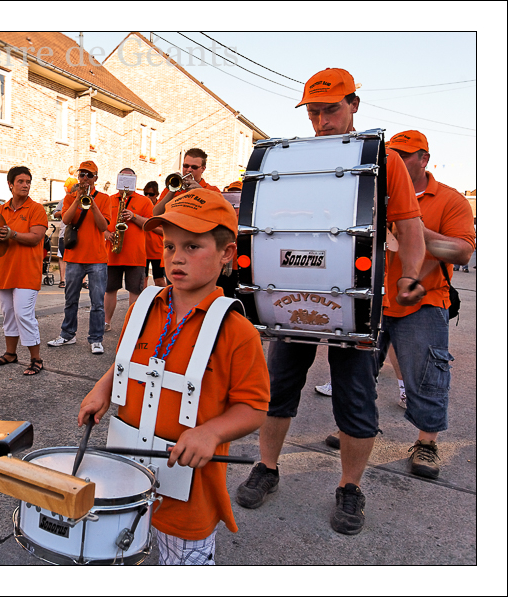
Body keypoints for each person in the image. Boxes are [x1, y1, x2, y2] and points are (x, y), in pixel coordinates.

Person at [235, 68, 426, 536]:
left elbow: (410, 228)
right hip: (294, 293)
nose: (322, 121)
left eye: (331, 109)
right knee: (278, 388)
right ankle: (267, 467)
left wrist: (411, 276)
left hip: (355, 301)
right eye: (314, 112)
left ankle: (350, 487)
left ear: (354, 104)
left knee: (356, 398)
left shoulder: (382, 158)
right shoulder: (294, 157)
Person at [78, 188, 269, 565]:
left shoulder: (238, 331)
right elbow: (127, 362)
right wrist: (103, 388)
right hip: (127, 476)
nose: (176, 257)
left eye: (192, 247)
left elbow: (254, 407)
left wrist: (210, 433)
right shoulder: (142, 308)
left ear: (227, 253)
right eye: (169, 246)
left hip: (190, 495)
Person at [375, 130, 475, 479]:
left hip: (426, 300)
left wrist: (412, 228)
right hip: (374, 300)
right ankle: (356, 428)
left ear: (424, 159)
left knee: (430, 376)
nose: (396, 161)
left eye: (404, 155)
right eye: (392, 154)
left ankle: (426, 444)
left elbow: (462, 252)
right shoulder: (374, 193)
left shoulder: (449, 199)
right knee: (357, 373)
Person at [0, 166, 49, 375]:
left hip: (27, 271)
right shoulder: (0, 210)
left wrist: (12, 234)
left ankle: (36, 359)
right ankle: (10, 354)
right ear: (10, 184)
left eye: (28, 182)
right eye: (21, 181)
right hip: (5, 270)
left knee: (23, 314)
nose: (25, 185)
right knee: (8, 314)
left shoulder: (36, 209)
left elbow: (36, 238)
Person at [47, 160, 112, 354]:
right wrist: (77, 199)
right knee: (70, 299)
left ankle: (96, 339)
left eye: (89, 175)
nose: (85, 178)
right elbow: (66, 220)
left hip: (97, 258)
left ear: (95, 178)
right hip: (74, 257)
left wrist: (92, 204)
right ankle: (68, 335)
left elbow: (104, 226)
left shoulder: (104, 198)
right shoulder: (69, 197)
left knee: (97, 302)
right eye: (82, 174)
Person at [103, 168, 154, 331]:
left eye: (129, 179)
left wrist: (134, 216)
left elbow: (150, 224)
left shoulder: (145, 201)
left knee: (135, 291)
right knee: (109, 290)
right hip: (112, 253)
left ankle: (133, 325)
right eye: (123, 179)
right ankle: (106, 322)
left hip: (135, 255)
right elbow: (101, 224)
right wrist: (107, 234)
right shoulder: (109, 199)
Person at [153, 148, 222, 216]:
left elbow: (218, 215)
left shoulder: (213, 190)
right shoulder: (172, 187)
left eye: (194, 167)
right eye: (186, 166)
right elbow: (155, 213)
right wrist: (172, 191)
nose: (189, 170)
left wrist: (201, 192)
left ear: (203, 169)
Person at [142, 181, 166, 288]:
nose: (148, 196)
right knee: (143, 280)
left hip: (157, 250)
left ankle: (162, 298)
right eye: (146, 194)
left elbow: (165, 231)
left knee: (159, 280)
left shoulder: (161, 208)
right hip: (143, 250)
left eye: (151, 194)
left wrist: (149, 225)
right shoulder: (142, 206)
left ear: (157, 194)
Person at [52, 197, 67, 287]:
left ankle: (83, 281)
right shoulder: (64, 200)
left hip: (81, 233)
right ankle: (62, 280)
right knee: (62, 256)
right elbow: (55, 213)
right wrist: (66, 211)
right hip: (65, 233)